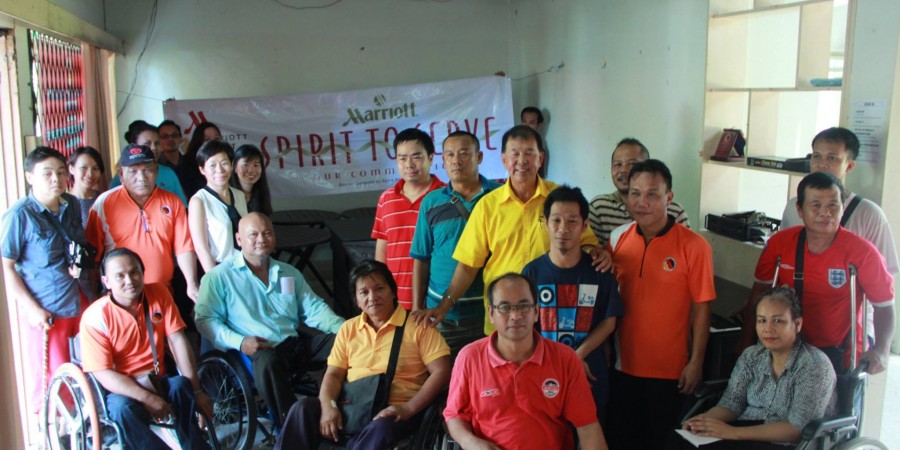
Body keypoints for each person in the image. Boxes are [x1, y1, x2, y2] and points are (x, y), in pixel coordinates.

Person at [424, 125, 603, 336]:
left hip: (553, 314)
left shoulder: (560, 198)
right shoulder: (488, 206)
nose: (521, 160)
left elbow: (585, 241)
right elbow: (467, 266)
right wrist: (444, 305)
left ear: (540, 158)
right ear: (504, 159)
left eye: (529, 153)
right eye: (514, 153)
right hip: (503, 316)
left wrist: (594, 252)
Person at [274, 260, 450, 450]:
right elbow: (334, 374)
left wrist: (409, 408)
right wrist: (328, 406)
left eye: (379, 289)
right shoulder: (348, 329)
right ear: (357, 300)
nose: (372, 297)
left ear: (393, 291)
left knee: (381, 428)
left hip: (393, 412)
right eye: (364, 292)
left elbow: (442, 371)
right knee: (302, 409)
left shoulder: (419, 326)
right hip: (351, 408)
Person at [195, 213, 345, 428]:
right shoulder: (219, 277)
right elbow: (205, 320)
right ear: (239, 239)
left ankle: (342, 408)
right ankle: (293, 427)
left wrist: (346, 329)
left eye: (267, 233)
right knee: (268, 361)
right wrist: (240, 342)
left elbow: (314, 309)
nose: (261, 239)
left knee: (347, 341)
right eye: (253, 235)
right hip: (257, 352)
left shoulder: (288, 273)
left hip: (293, 344)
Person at [605, 159, 715, 450]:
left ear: (669, 197)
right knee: (622, 441)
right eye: (635, 193)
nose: (642, 202)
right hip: (623, 365)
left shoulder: (694, 246)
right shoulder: (617, 239)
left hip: (671, 371)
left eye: (652, 194)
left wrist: (696, 362)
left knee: (661, 443)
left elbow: (702, 309)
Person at [739, 172, 895, 374]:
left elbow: (884, 305)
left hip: (840, 353)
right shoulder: (780, 244)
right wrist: (746, 343)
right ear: (800, 210)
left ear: (842, 207)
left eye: (833, 205)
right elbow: (759, 293)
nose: (825, 212)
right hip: (787, 348)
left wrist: (882, 349)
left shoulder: (863, 253)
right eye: (816, 205)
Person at [444, 273, 608, 450]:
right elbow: (454, 415)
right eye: (504, 307)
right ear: (491, 313)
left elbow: (587, 426)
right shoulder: (469, 357)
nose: (515, 316)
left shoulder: (565, 359)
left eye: (523, 306)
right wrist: (471, 442)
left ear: (536, 312)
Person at [79, 248, 212, 450]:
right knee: (123, 409)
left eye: (134, 272)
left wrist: (197, 390)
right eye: (120, 276)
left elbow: (177, 340)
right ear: (106, 281)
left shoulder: (158, 293)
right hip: (123, 390)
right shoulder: (95, 317)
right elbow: (103, 373)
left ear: (143, 273)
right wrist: (147, 398)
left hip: (157, 379)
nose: (129, 280)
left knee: (181, 386)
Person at [676, 287, 836, 449]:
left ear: (797, 324)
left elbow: (797, 429)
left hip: (787, 442)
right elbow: (731, 404)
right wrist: (703, 422)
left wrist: (732, 432)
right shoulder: (752, 356)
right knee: (680, 441)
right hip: (745, 431)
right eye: (762, 320)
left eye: (778, 321)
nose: (768, 329)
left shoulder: (815, 365)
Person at [521, 185, 623, 425]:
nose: (563, 229)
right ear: (546, 223)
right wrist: (561, 361)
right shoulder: (532, 272)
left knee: (590, 434)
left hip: (590, 372)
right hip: (544, 372)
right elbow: (526, 327)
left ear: (585, 225)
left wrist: (578, 356)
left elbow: (609, 322)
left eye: (572, 221)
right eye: (556, 220)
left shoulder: (599, 272)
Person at [1, 146, 91, 418]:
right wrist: (32, 309)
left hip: (77, 296)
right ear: (30, 177)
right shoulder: (19, 215)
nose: (56, 179)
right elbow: (7, 268)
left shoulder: (71, 204)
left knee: (89, 364)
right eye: (47, 173)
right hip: (47, 308)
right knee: (53, 376)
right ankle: (56, 431)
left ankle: (90, 424)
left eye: (61, 172)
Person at [409, 131, 501, 355]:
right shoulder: (431, 202)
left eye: (463, 153)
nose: (456, 161)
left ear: (479, 157)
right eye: (449, 155)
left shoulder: (499, 197)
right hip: (441, 315)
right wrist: (417, 307)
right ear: (443, 160)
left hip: (489, 311)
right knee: (444, 374)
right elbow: (421, 259)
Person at [86, 144, 200, 302]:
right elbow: (92, 256)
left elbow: (184, 248)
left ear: (156, 171)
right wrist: (92, 294)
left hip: (162, 293)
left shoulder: (172, 202)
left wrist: (191, 283)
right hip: (121, 297)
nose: (141, 178)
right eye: (133, 171)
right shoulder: (104, 203)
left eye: (147, 170)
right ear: (121, 174)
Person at [779, 127, 899, 274]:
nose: (821, 164)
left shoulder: (869, 214)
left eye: (832, 158)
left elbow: (885, 273)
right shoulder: (794, 206)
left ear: (850, 165)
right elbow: (782, 254)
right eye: (816, 156)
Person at [371, 128, 445, 310]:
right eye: (402, 158)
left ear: (431, 158)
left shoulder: (445, 196)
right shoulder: (386, 199)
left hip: (436, 299)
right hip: (396, 300)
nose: (409, 164)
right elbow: (382, 248)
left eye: (416, 157)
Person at [589, 137, 690, 246]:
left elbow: (687, 249)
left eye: (632, 164)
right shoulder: (599, 207)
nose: (623, 170)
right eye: (617, 164)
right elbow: (591, 250)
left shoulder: (675, 212)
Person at [188, 140, 248, 272]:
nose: (219, 170)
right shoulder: (199, 201)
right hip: (220, 268)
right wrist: (215, 278)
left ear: (232, 165)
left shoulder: (239, 195)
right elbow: (201, 248)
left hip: (245, 266)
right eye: (212, 165)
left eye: (224, 163)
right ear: (202, 169)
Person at [110, 120, 189, 206]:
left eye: (157, 143)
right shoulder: (123, 176)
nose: (154, 148)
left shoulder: (168, 173)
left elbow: (181, 206)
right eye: (147, 144)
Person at [158, 119, 204, 199]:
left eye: (174, 135)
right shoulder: (156, 166)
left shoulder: (192, 163)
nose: (170, 139)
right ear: (158, 140)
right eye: (165, 136)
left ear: (180, 138)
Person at [67, 146, 106, 229]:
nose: (90, 174)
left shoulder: (104, 198)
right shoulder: (63, 202)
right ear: (71, 169)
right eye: (83, 168)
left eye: (95, 168)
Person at [231, 144, 274, 216]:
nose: (251, 170)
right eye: (245, 165)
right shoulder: (227, 195)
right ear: (234, 167)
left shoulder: (261, 194)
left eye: (256, 165)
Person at [520, 106, 548, 178]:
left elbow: (540, 175)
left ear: (538, 125)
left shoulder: (539, 147)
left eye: (531, 123)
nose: (526, 126)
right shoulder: (511, 142)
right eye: (524, 121)